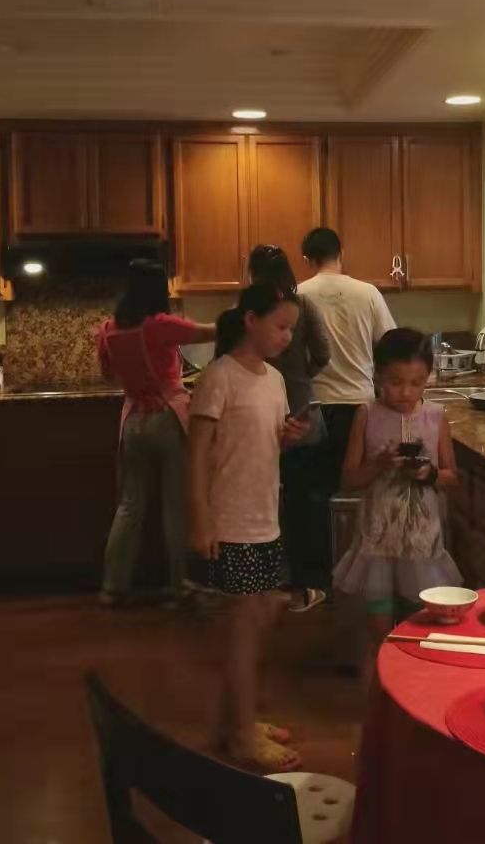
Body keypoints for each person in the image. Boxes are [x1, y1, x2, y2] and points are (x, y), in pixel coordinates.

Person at [188, 283, 311, 772]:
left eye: (291, 329)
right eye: (280, 326)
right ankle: (240, 737)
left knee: (260, 620)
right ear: (250, 320)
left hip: (265, 517)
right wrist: (201, 519)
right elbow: (197, 454)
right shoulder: (220, 377)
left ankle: (233, 722)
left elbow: (261, 442)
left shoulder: (274, 379)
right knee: (243, 628)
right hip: (231, 520)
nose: (286, 337)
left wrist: (288, 437)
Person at [333, 328, 461, 688]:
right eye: (395, 382)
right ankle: (378, 689)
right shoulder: (366, 415)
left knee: (417, 623)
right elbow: (349, 479)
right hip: (378, 537)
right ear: (378, 377)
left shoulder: (436, 417)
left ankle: (412, 687)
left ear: (428, 378)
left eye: (416, 383)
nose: (405, 392)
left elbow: (451, 476)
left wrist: (428, 473)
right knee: (378, 626)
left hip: (421, 539)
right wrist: (379, 464)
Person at [96, 259, 215, 606]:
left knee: (130, 506)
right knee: (175, 505)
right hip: (167, 417)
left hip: (133, 419)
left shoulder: (108, 329)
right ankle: (180, 585)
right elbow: (207, 332)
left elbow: (107, 375)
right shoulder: (160, 325)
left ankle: (112, 586)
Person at [295, 227, 396, 590]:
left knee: (312, 496)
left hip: (314, 408)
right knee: (362, 493)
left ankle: (317, 581)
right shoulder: (367, 293)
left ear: (307, 259)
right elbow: (391, 345)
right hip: (360, 408)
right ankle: (363, 575)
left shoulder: (299, 295)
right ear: (341, 253)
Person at [247, 244, 332, 612]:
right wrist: (301, 378)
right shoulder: (303, 306)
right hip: (303, 411)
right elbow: (324, 353)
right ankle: (307, 584)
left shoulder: (250, 311)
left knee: (266, 503)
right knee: (306, 504)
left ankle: (266, 582)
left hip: (259, 417)